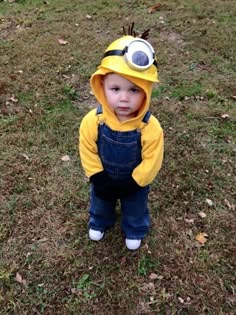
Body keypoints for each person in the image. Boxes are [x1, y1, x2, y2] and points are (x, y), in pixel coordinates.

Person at [79, 25, 164, 250]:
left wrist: (136, 182)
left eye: (134, 90)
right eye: (115, 89)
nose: (124, 98)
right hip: (103, 177)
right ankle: (100, 222)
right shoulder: (93, 120)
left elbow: (153, 158)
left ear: (146, 90)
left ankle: (135, 229)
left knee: (135, 206)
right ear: (102, 86)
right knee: (100, 201)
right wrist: (97, 177)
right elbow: (87, 149)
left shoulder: (149, 126)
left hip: (134, 183)